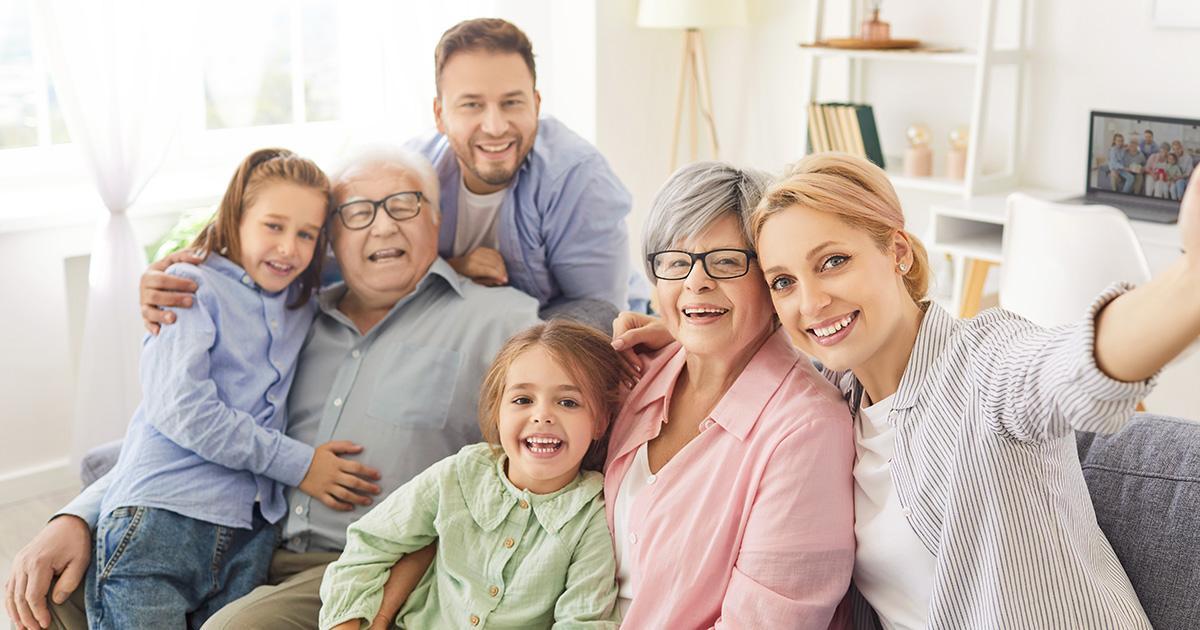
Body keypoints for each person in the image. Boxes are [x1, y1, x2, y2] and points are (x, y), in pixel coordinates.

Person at [614, 157, 1200, 629]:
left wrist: (1189, 283)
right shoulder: (841, 396)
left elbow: (1070, 363)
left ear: (897, 251)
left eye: (834, 261)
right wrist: (691, 327)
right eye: (784, 281)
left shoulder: (981, 365)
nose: (811, 302)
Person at [4, 147, 542, 630]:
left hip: (356, 559)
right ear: (334, 239)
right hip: (244, 539)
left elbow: (540, 449)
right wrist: (78, 516)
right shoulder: (288, 318)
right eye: (357, 212)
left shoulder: (499, 321)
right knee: (53, 595)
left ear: (437, 218)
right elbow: (173, 423)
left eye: (404, 205)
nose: (382, 227)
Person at [82, 148, 333, 628]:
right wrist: (298, 464)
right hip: (162, 516)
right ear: (236, 217)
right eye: (273, 226)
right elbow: (185, 410)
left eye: (307, 234)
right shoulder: (190, 288)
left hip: (248, 534)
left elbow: (374, 263)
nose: (288, 248)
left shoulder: (302, 302)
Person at [608, 162, 854, 627]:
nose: (695, 282)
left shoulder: (808, 430)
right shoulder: (638, 373)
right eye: (675, 262)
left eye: (725, 262)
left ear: (772, 279)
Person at [319, 320, 623, 629]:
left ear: (600, 422)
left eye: (568, 402)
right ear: (497, 411)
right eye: (522, 400)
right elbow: (369, 545)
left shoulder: (592, 516)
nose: (542, 415)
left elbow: (583, 621)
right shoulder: (459, 474)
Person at [409, 18, 647, 314]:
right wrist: (452, 271)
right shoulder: (409, 176)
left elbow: (600, 314)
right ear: (439, 115)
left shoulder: (577, 176)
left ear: (536, 105)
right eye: (472, 105)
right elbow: (377, 290)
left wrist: (505, 340)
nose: (495, 127)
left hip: (592, 331)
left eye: (511, 102)